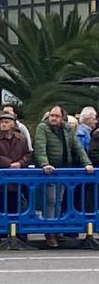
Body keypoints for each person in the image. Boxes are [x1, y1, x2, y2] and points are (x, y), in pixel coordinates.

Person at [33, 104, 94, 247]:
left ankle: (57, 227)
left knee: (59, 200)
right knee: (51, 200)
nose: (53, 118)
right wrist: (44, 164)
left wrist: (87, 163)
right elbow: (40, 147)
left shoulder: (68, 129)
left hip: (64, 169)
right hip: (50, 171)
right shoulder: (43, 128)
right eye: (51, 116)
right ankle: (49, 231)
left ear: (62, 117)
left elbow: (78, 147)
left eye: (56, 116)